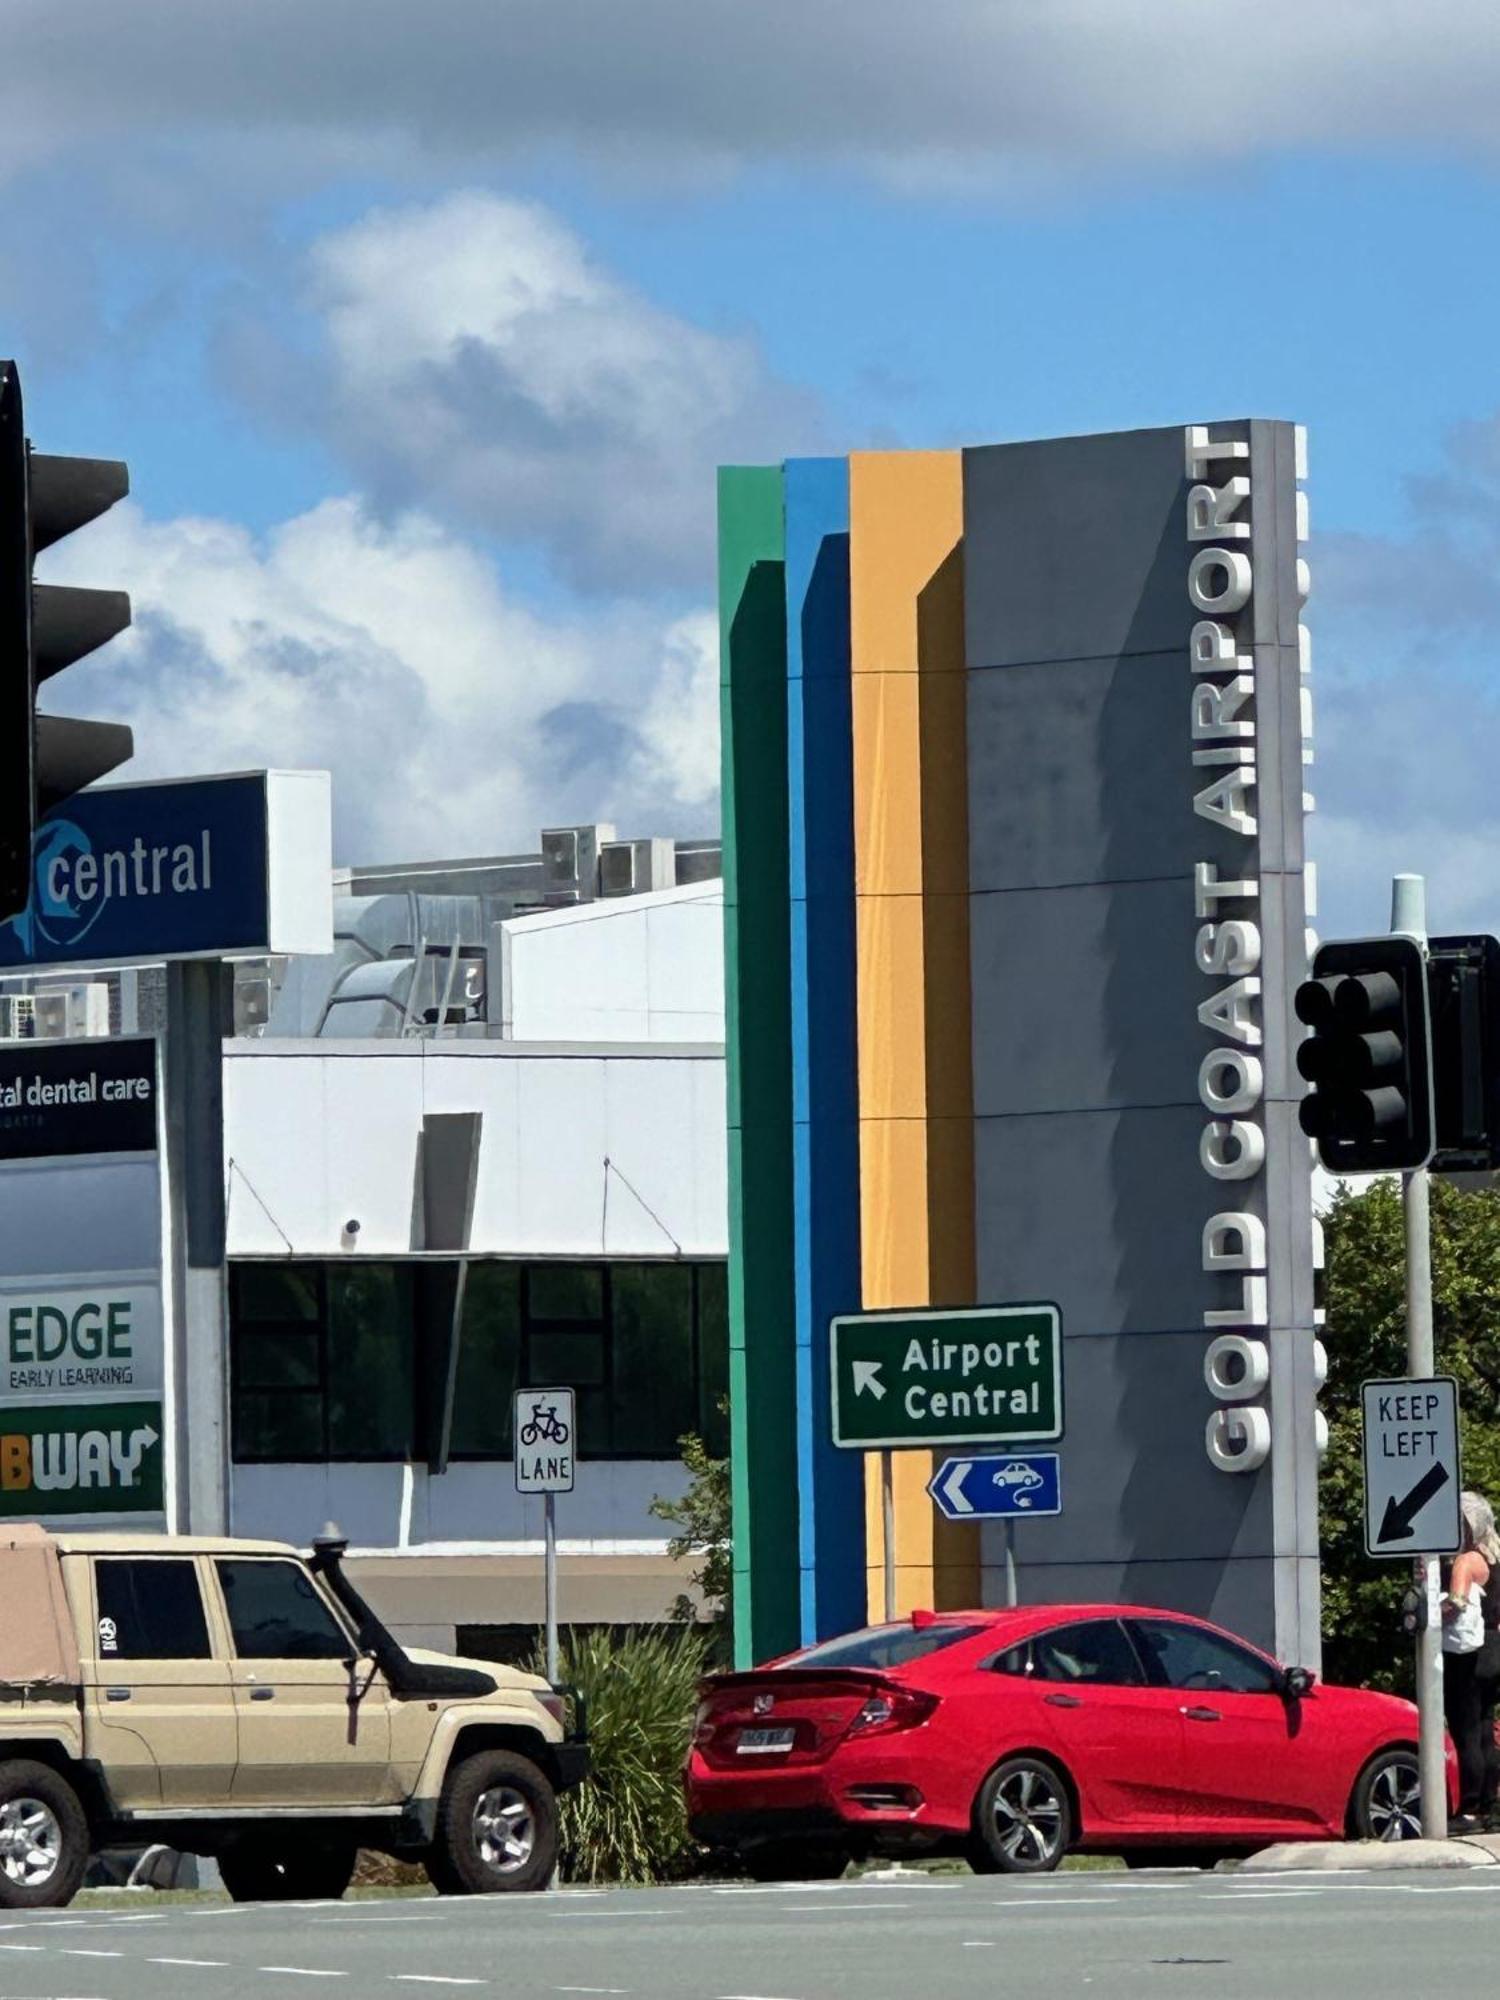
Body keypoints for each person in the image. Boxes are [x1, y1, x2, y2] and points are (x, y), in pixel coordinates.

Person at [1442, 1492, 1494, 1832]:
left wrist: (1429, 1613)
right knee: (1487, 1728)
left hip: (1468, 1655)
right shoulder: (1493, 1559)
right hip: (1494, 1648)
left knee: (1467, 1730)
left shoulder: (1465, 1562)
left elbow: (1458, 1603)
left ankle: (1471, 1808)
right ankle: (1492, 1803)